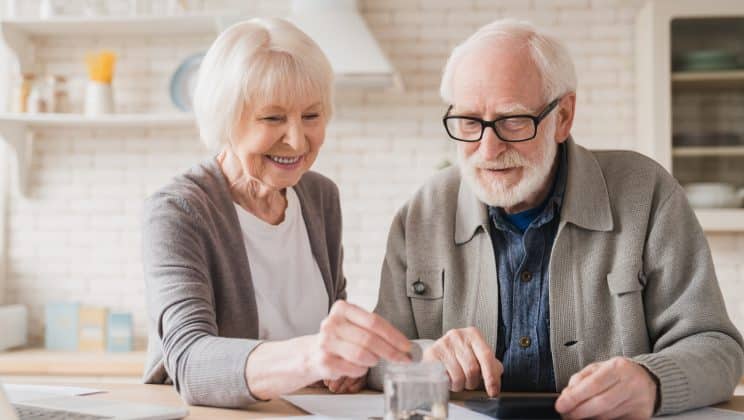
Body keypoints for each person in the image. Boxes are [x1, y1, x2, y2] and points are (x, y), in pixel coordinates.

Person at [371, 19, 744, 418]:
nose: (488, 148)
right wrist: (425, 356)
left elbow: (718, 349)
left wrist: (652, 380)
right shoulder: (422, 213)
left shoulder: (646, 193)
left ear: (563, 117)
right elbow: (374, 360)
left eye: (513, 120)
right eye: (469, 121)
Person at [142, 18, 411, 408]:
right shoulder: (179, 210)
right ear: (225, 117)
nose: (298, 140)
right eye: (273, 118)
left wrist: (346, 364)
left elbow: (331, 324)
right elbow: (190, 362)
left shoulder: (320, 197)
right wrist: (312, 356)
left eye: (311, 116)